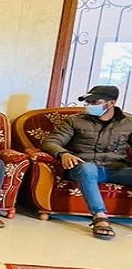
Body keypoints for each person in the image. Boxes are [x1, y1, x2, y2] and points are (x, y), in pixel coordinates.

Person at [41, 85, 132, 240]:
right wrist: (63, 153)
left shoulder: (128, 123)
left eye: (95, 102)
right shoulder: (74, 121)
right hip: (83, 168)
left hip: (116, 169)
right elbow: (51, 142)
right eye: (88, 102)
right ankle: (99, 217)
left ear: (111, 103)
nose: (89, 106)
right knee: (87, 168)